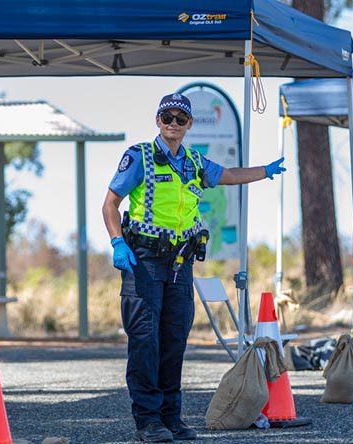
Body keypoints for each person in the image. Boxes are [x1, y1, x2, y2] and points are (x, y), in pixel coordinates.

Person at [102, 92, 286, 442]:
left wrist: (264, 171)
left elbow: (228, 174)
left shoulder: (193, 162)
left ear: (189, 124)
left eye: (180, 119)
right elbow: (110, 203)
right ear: (158, 121)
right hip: (144, 260)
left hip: (180, 263)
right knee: (145, 341)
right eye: (167, 117)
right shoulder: (140, 156)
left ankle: (171, 417)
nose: (173, 124)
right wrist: (117, 242)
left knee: (173, 341)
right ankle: (148, 420)